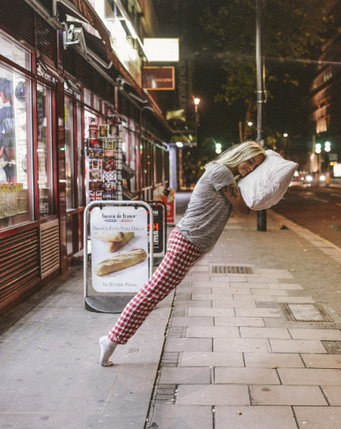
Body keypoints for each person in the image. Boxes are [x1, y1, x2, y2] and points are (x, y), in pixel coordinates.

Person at [99, 141, 267, 366]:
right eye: (251, 161)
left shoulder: (227, 175)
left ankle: (112, 340)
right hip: (187, 242)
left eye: (256, 166)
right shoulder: (222, 172)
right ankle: (111, 340)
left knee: (153, 293)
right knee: (151, 294)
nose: (251, 168)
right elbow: (243, 208)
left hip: (193, 244)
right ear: (240, 155)